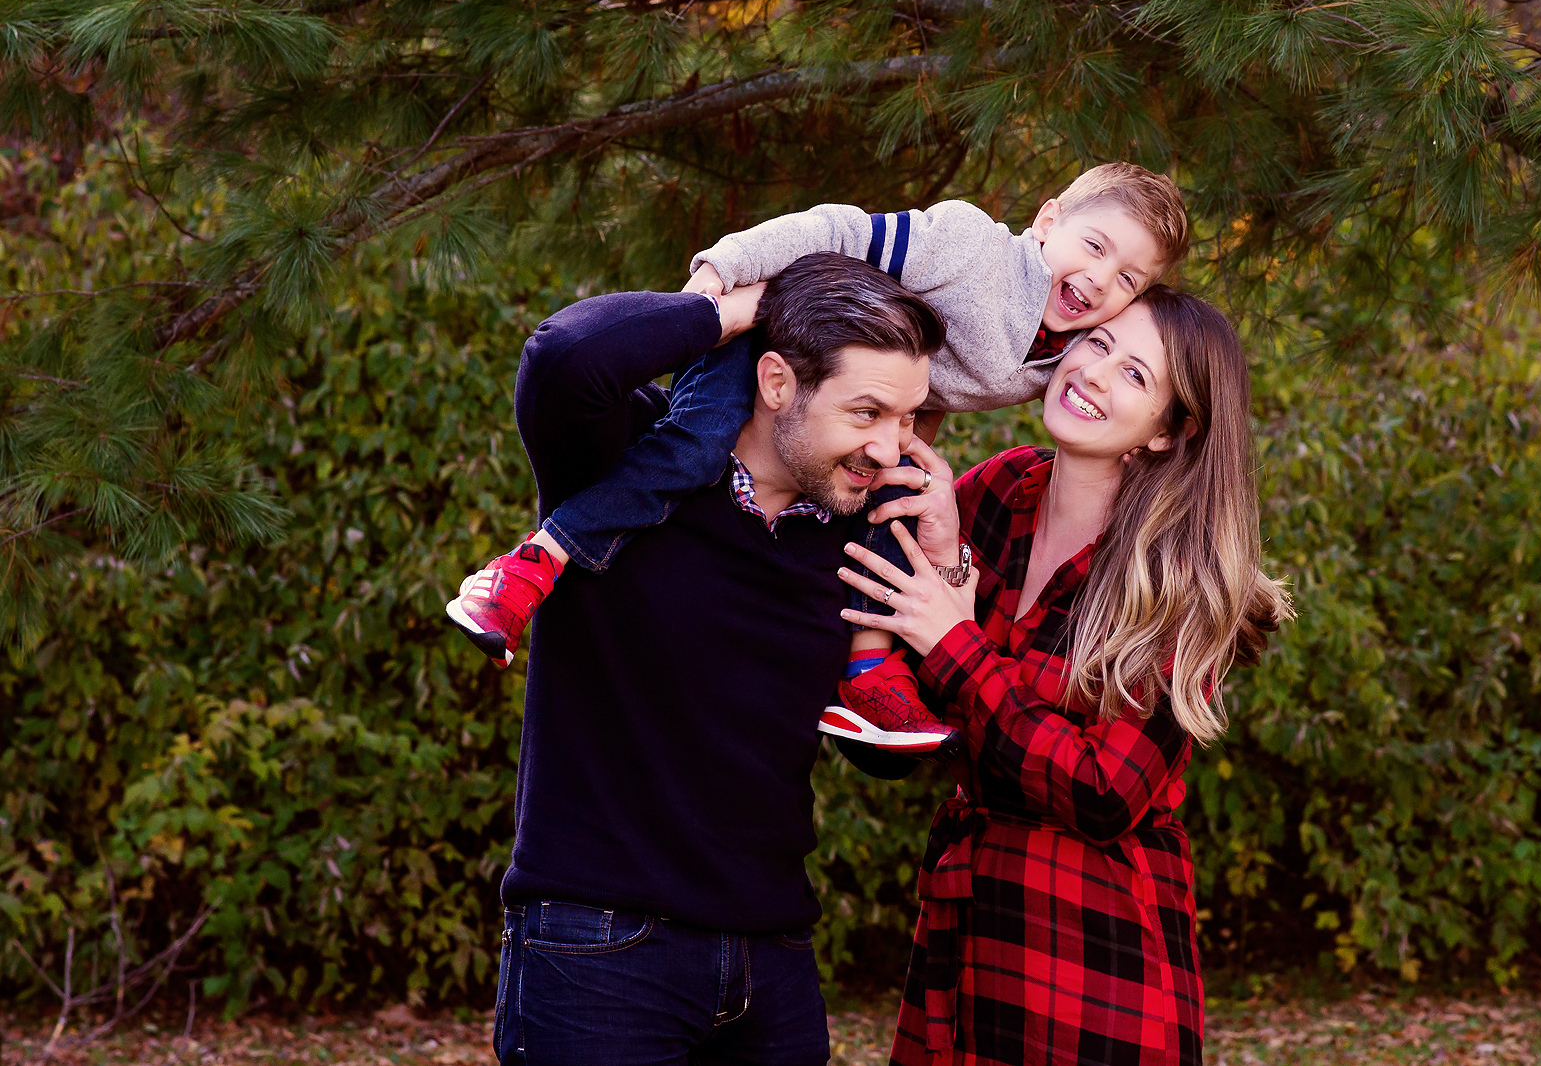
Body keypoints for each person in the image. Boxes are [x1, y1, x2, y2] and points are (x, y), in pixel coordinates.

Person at [448, 163, 1190, 752]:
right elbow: (840, 229)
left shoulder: (1051, 359)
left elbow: (933, 380)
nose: (1101, 279)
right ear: (1048, 219)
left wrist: (903, 439)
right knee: (688, 451)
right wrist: (722, 286)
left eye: (1128, 278)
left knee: (893, 508)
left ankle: (869, 669)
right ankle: (531, 565)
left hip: (867, 411)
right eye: (1095, 247)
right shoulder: (971, 251)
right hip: (774, 341)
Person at [487, 253, 969, 1066]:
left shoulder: (856, 529)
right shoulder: (625, 463)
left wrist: (943, 562)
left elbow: (877, 757)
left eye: (909, 418)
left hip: (773, 955)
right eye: (866, 412)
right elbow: (564, 355)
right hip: (599, 947)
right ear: (777, 381)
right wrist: (744, 304)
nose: (890, 448)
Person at [834, 287, 1293, 1066]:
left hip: (1091, 957)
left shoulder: (1181, 580)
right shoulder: (997, 496)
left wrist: (956, 640)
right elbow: (890, 732)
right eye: (1099, 342)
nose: (1097, 372)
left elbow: (1104, 792)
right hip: (963, 928)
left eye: (1137, 375)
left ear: (1167, 432)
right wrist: (937, 564)